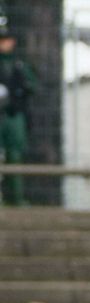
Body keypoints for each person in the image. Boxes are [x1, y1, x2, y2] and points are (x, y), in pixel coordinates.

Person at [0, 17, 37, 206]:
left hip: (14, 115)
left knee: (15, 156)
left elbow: (33, 86)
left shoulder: (19, 65)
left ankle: (16, 197)